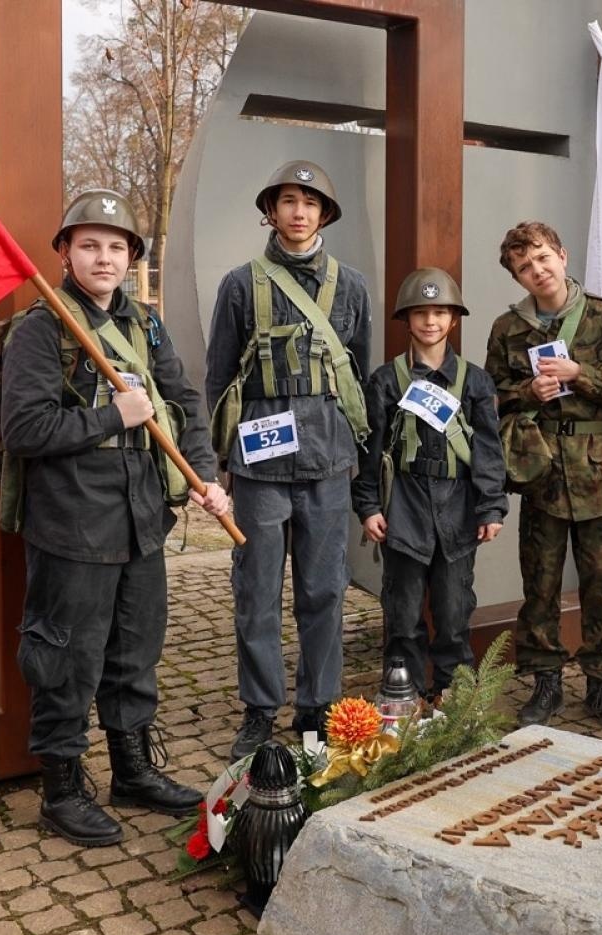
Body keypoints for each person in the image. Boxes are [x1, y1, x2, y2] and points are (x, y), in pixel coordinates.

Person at [2, 188, 229, 847]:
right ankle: (62, 789)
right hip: (73, 524)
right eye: (90, 244)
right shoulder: (42, 328)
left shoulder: (144, 324)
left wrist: (205, 474)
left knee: (134, 653)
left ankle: (132, 771)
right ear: (66, 252)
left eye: (116, 246)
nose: (104, 258)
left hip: (141, 520)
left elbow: (182, 400)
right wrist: (113, 416)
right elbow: (24, 428)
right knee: (66, 657)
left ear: (132, 257)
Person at [204, 160, 372, 756]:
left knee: (324, 589)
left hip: (328, 463)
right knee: (256, 591)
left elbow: (358, 375)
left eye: (309, 201)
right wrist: (217, 464)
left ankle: (317, 706)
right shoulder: (238, 284)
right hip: (258, 470)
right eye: (287, 201)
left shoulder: (350, 286)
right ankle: (258, 707)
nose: (298, 212)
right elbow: (219, 377)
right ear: (270, 211)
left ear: (324, 213)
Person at [485, 221, 602, 734]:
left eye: (541, 259)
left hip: (598, 471)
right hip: (543, 474)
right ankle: (545, 681)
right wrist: (528, 393)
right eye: (524, 268)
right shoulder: (507, 330)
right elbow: (490, 397)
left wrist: (582, 374)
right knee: (541, 584)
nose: (537, 271)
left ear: (561, 253)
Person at [353, 268, 507, 702]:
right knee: (401, 612)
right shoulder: (386, 381)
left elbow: (489, 451)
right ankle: (402, 692)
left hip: (458, 512)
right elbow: (371, 451)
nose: (431, 322)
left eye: (440, 312)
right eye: (421, 313)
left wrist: (491, 507)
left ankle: (454, 695)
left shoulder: (475, 381)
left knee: (454, 610)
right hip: (404, 508)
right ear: (407, 319)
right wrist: (368, 506)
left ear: (453, 319)